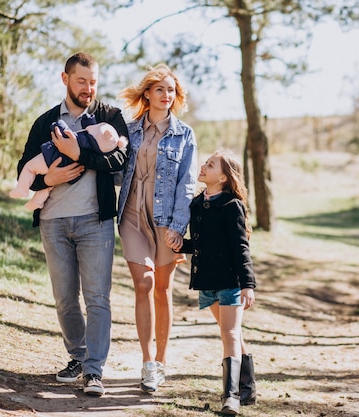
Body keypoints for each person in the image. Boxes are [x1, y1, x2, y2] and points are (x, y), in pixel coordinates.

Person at [15, 52, 128, 397]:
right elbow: (25, 168)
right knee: (65, 298)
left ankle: (95, 370)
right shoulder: (45, 121)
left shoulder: (111, 116)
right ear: (65, 79)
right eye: (81, 81)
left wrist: (80, 155)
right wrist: (48, 176)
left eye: (93, 82)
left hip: (96, 222)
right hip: (53, 222)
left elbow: (120, 159)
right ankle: (77, 358)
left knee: (97, 298)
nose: (88, 88)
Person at [117, 63, 197, 393]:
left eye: (171, 91)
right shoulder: (128, 129)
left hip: (166, 220)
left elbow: (188, 183)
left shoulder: (185, 134)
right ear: (147, 94)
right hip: (133, 216)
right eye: (160, 89)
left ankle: (161, 362)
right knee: (143, 284)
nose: (166, 95)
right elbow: (111, 167)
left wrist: (179, 227)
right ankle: (148, 361)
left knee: (162, 289)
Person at [175, 149, 257, 415]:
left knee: (229, 334)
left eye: (210, 165)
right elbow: (201, 243)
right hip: (207, 281)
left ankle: (230, 396)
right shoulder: (198, 203)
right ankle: (248, 388)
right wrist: (181, 244)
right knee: (231, 331)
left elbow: (240, 248)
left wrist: (248, 284)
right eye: (205, 163)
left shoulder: (232, 206)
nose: (203, 166)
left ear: (223, 177)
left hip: (231, 281)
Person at [10, 119, 127, 210]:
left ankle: (22, 189)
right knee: (51, 185)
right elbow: (93, 129)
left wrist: (58, 125)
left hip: (52, 158)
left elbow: (66, 133)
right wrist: (47, 180)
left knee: (29, 168)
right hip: (73, 172)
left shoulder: (83, 137)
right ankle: (37, 201)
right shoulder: (97, 146)